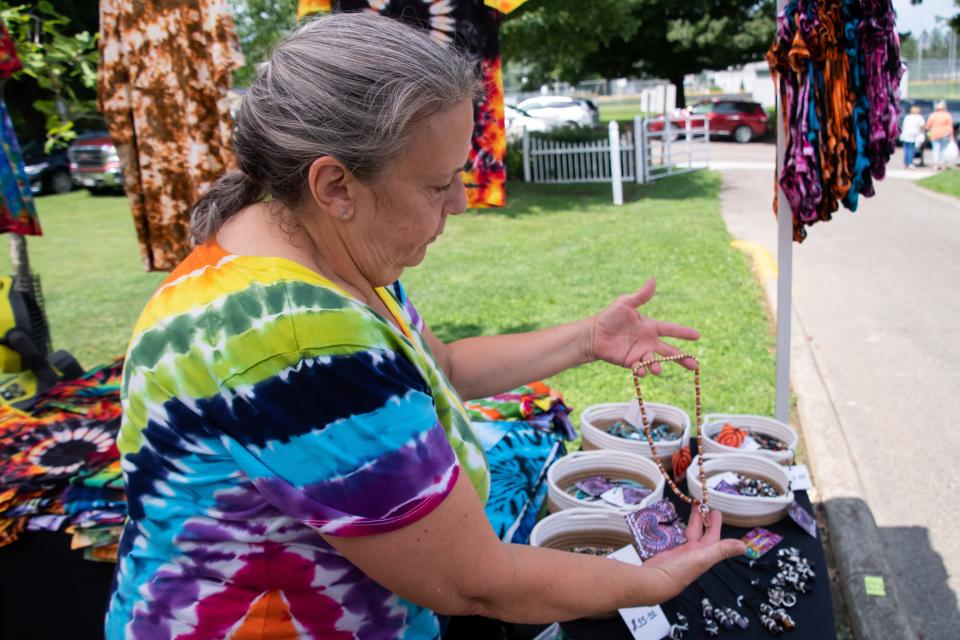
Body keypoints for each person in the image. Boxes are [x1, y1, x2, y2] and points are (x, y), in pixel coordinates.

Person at [106, 13, 744, 639]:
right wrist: (655, 578)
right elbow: (476, 582)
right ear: (335, 184)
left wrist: (586, 339)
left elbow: (444, 368)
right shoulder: (297, 341)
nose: (460, 202)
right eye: (438, 183)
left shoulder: (314, 254)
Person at [925, 100, 955, 171]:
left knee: (935, 150)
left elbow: (928, 126)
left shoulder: (933, 115)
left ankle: (935, 165)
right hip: (945, 134)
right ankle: (943, 165)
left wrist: (927, 131)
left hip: (934, 134)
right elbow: (950, 126)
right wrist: (952, 136)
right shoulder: (947, 115)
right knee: (943, 150)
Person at [900, 105, 926, 169]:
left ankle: (906, 162)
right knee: (911, 150)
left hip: (905, 135)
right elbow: (923, 126)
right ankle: (910, 163)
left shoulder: (907, 117)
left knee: (906, 149)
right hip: (913, 136)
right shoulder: (919, 117)